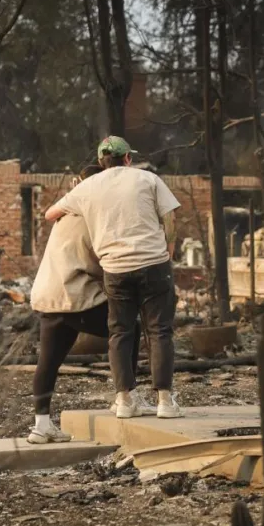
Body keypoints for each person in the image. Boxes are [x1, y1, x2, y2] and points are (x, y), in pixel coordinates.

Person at [45, 136, 182, 419]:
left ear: (100, 162)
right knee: (159, 331)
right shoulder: (147, 179)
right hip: (154, 264)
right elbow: (170, 217)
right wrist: (168, 252)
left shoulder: (88, 187)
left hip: (116, 269)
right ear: (128, 158)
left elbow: (50, 214)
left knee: (120, 332)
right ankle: (165, 402)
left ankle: (124, 400)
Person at [28, 164, 152, 444]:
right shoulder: (94, 214)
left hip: (49, 295)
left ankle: (41, 425)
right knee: (126, 329)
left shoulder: (67, 212)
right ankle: (126, 396)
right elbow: (106, 260)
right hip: (75, 295)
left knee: (48, 361)